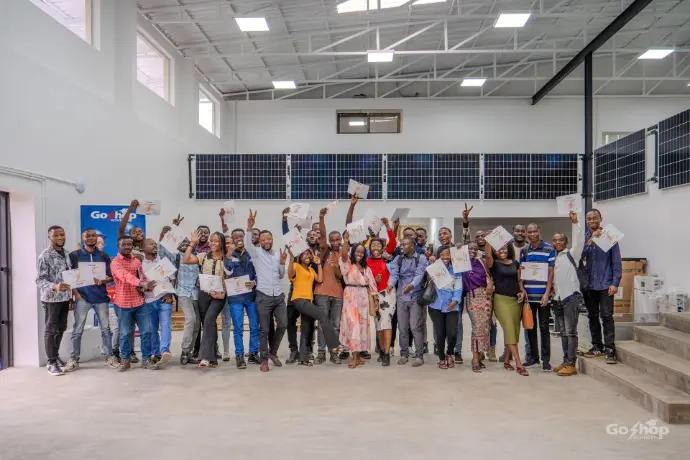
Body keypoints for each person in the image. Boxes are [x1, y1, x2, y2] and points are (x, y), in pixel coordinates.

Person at [64, 228, 118, 371]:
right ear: (83, 238)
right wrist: (76, 294)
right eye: (87, 236)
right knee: (77, 330)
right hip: (83, 298)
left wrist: (103, 281)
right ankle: (73, 359)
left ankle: (109, 357)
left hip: (101, 298)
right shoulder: (75, 255)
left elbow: (111, 277)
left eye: (93, 236)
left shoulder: (103, 255)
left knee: (106, 329)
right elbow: (69, 276)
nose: (91, 238)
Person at [245, 210, 288, 372]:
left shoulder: (277, 255)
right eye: (263, 240)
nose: (266, 241)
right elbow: (248, 245)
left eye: (268, 239)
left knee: (283, 324)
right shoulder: (256, 253)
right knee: (264, 329)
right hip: (263, 296)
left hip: (278, 296)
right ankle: (264, 359)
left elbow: (281, 275)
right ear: (260, 241)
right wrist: (249, 227)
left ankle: (272, 353)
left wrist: (282, 263)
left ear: (272, 239)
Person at [110, 236, 158, 372]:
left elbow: (142, 276)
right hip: (123, 304)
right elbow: (125, 276)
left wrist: (146, 286)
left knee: (147, 331)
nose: (127, 247)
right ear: (118, 246)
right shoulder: (115, 263)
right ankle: (125, 360)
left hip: (139, 302)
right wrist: (140, 283)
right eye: (124, 244)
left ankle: (146, 359)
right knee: (125, 333)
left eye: (129, 244)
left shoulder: (136, 261)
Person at [581, 209, 622, 364]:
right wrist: (591, 240)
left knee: (606, 316)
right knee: (592, 316)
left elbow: (616, 261)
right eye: (589, 218)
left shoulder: (609, 236)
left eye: (594, 218)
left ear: (600, 219)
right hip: (589, 284)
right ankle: (597, 346)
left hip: (605, 284)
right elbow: (579, 257)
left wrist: (615, 283)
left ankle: (610, 349)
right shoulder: (584, 237)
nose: (591, 220)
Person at [288, 248, 341, 366]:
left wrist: (319, 264)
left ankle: (303, 358)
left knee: (306, 328)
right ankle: (334, 345)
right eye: (304, 254)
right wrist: (291, 257)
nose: (307, 256)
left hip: (309, 301)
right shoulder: (296, 266)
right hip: (299, 300)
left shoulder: (311, 269)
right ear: (299, 257)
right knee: (322, 314)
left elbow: (320, 279)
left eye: (309, 254)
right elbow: (290, 274)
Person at [183, 229, 227, 368]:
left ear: (221, 243)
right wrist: (192, 243)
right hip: (204, 294)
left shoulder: (226, 258)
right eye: (212, 241)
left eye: (216, 241)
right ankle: (213, 358)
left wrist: (223, 293)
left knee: (209, 320)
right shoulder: (203, 256)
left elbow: (230, 278)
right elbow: (186, 260)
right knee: (208, 323)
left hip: (219, 295)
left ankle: (205, 357)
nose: (213, 243)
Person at [485, 240, 529, 377]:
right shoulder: (494, 264)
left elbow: (519, 280)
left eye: (504, 248)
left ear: (508, 249)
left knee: (514, 331)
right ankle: (518, 363)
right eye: (498, 249)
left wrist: (522, 291)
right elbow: (488, 256)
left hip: (516, 300)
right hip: (501, 300)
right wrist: (489, 240)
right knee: (509, 328)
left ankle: (506, 361)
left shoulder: (515, 263)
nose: (501, 251)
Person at [159, 224, 201, 366]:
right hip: (182, 293)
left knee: (196, 323)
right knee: (191, 318)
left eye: (186, 242)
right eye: (181, 242)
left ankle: (189, 353)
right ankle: (184, 350)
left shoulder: (196, 258)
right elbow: (162, 251)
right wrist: (172, 231)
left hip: (195, 293)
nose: (184, 244)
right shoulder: (175, 256)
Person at [36, 226, 73, 376]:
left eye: (62, 235)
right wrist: (54, 286)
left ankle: (55, 355)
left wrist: (71, 296)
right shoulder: (44, 255)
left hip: (65, 298)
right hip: (51, 299)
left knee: (61, 328)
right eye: (56, 235)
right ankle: (51, 362)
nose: (60, 238)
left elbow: (70, 276)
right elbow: (39, 279)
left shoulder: (67, 253)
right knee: (51, 329)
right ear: (49, 237)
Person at [520, 223, 556, 372]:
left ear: (539, 232)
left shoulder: (549, 249)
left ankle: (545, 360)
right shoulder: (524, 250)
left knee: (544, 328)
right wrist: (522, 289)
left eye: (535, 231)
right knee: (530, 327)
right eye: (530, 232)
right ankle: (533, 358)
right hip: (528, 296)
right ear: (526, 234)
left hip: (542, 296)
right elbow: (521, 272)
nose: (532, 234)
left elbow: (551, 273)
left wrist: (547, 293)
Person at [339, 231, 378, 369]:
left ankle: (359, 355)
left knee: (362, 327)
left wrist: (375, 299)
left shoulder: (366, 268)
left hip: (363, 299)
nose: (359, 254)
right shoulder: (348, 264)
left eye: (362, 252)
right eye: (357, 251)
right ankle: (354, 357)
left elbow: (372, 284)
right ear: (353, 251)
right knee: (353, 326)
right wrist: (346, 241)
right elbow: (344, 255)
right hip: (351, 297)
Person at [552, 211, 584, 376]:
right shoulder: (555, 257)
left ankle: (572, 364)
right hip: (558, 299)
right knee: (563, 332)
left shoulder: (572, 254)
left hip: (571, 297)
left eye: (561, 240)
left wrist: (575, 223)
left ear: (566, 242)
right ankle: (565, 361)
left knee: (571, 332)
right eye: (555, 240)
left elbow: (579, 241)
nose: (558, 242)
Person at [388, 237, 428, 367]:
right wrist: (390, 284)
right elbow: (394, 275)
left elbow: (419, 275)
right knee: (402, 327)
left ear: (412, 246)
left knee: (415, 327)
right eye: (401, 244)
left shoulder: (421, 259)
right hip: (401, 297)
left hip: (415, 296)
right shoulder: (398, 259)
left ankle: (419, 356)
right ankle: (404, 354)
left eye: (404, 244)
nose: (401, 247)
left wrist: (411, 285)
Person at [314, 207, 346, 365]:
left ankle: (333, 352)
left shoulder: (344, 254)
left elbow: (342, 276)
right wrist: (321, 218)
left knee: (335, 325)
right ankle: (321, 353)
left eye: (337, 240)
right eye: (332, 240)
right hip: (322, 293)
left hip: (338, 294)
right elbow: (322, 235)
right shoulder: (324, 250)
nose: (335, 242)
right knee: (322, 325)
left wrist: (335, 267)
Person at [225, 228, 260, 369]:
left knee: (254, 326)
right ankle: (239, 355)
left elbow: (258, 272)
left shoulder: (252, 254)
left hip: (251, 296)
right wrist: (228, 254)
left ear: (245, 237)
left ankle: (253, 353)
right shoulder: (229, 255)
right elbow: (227, 272)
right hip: (236, 297)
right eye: (235, 237)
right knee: (238, 328)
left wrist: (254, 282)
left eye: (241, 236)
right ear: (232, 240)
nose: (238, 238)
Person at [367, 218, 397, 366]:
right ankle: (380, 350)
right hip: (374, 295)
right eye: (373, 245)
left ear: (383, 247)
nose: (376, 247)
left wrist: (388, 226)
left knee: (386, 322)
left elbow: (393, 243)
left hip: (387, 293)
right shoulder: (367, 261)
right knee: (378, 324)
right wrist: (374, 280)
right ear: (370, 247)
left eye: (379, 244)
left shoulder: (387, 258)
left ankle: (386, 353)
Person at [140, 238, 175, 364]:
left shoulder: (164, 261)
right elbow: (138, 283)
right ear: (143, 249)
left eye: (155, 244)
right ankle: (156, 353)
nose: (154, 246)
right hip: (149, 300)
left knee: (165, 325)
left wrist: (170, 294)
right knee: (152, 329)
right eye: (151, 244)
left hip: (164, 298)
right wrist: (144, 288)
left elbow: (172, 279)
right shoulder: (140, 264)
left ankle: (165, 350)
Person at [428, 246, 462, 369]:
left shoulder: (456, 269)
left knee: (452, 333)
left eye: (448, 254)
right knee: (440, 333)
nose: (445, 257)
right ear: (438, 256)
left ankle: (449, 353)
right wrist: (431, 263)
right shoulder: (433, 266)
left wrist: (455, 301)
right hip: (435, 305)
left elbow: (458, 287)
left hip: (451, 305)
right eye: (442, 255)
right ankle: (442, 358)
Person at [461, 243, 493, 373]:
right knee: (477, 327)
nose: (473, 250)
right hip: (472, 296)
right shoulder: (462, 263)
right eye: (470, 248)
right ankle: (475, 359)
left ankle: (480, 355)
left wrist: (490, 283)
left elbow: (491, 274)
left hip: (486, 296)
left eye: (475, 249)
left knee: (485, 327)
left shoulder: (481, 261)